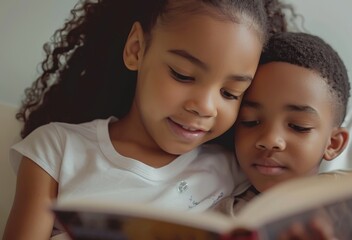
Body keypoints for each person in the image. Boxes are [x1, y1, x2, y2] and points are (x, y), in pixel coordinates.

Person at [3, 0, 275, 239]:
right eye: (182, 75)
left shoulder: (232, 167)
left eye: (230, 93)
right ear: (136, 49)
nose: (205, 107)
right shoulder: (57, 149)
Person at [213, 31, 352, 239]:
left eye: (298, 126)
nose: (270, 139)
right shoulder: (223, 219)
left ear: (333, 143)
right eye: (251, 121)